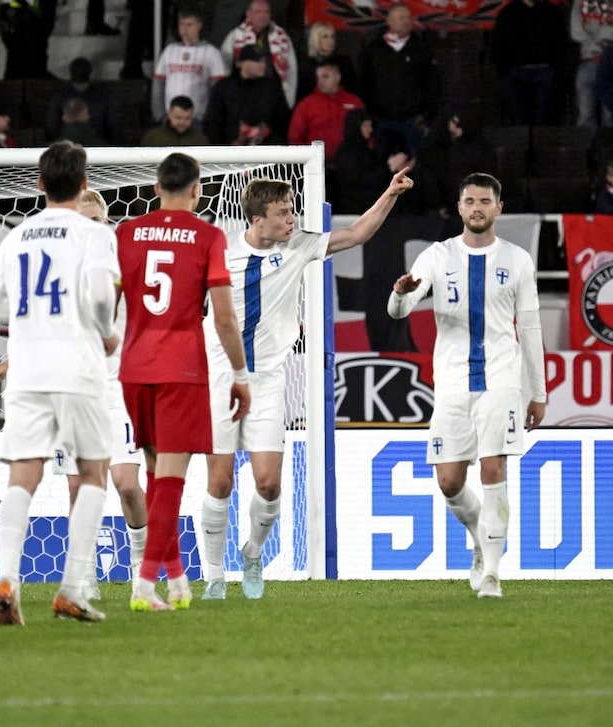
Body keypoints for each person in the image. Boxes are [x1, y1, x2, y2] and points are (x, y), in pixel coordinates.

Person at [198, 166, 414, 600]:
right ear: (257, 219)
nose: (291, 219)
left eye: (292, 210)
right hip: (218, 380)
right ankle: (214, 575)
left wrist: (390, 193)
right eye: (283, 213)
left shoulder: (297, 245)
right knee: (219, 483)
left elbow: (357, 234)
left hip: (268, 381)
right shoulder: (218, 252)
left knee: (268, 485)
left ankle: (253, 553)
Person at [0, 189, 149, 602]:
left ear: (106, 224)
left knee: (127, 484)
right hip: (70, 390)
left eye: (94, 222)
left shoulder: (125, 265)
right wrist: (10, 362)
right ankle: (83, 576)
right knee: (78, 488)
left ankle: (140, 567)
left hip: (119, 389)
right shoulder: (59, 274)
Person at [387, 173, 546, 599]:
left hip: (501, 379)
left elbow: (530, 328)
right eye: (470, 201)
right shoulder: (437, 256)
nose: (477, 208)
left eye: (485, 201)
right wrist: (400, 294)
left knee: (494, 470)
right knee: (449, 482)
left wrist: (539, 392)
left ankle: (491, 573)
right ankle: (481, 539)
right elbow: (400, 309)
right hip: (453, 382)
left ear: (499, 208)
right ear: (459, 207)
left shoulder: (517, 260)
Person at [117, 152, 250, 611]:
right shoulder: (209, 236)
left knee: (157, 475)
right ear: (197, 190)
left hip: (134, 368)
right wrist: (239, 374)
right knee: (172, 480)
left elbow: (103, 303)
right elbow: (225, 318)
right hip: (182, 369)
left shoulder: (126, 233)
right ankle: (144, 584)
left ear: (156, 188)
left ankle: (176, 579)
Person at [359, 3, 438, 157]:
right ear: (389, 21)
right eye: (401, 18)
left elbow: (433, 83)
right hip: (380, 120)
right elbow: (364, 83)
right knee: (380, 163)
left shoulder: (421, 49)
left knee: (415, 164)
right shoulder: (374, 49)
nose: (406, 21)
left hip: (413, 121)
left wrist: (426, 115)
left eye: (408, 18)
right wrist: (370, 114)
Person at [491, 0, 569, 126]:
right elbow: (498, 44)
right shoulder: (508, 13)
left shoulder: (552, 12)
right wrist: (505, 71)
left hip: (545, 70)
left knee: (544, 121)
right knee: (519, 121)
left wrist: (558, 71)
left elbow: (562, 43)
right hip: (517, 71)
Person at [151, 7, 227, 123]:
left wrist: (211, 117)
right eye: (181, 24)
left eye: (189, 25)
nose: (184, 29)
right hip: (171, 118)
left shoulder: (211, 53)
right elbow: (158, 85)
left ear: (199, 25)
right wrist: (160, 115)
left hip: (198, 118)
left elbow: (218, 89)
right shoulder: (169, 51)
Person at [204, 44, 290, 146]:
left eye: (264, 61)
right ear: (241, 63)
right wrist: (227, 146)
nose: (262, 65)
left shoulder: (272, 88)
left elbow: (283, 121)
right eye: (257, 61)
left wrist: (269, 136)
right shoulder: (224, 88)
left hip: (266, 150)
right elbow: (212, 122)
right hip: (231, 151)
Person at [420, 103, 497, 215]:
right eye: (456, 124)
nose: (459, 131)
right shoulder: (434, 146)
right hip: (439, 206)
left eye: (462, 126)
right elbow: (430, 176)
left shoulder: (479, 147)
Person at [219, 0, 298, 107]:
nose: (263, 16)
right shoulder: (235, 35)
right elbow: (224, 65)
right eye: (258, 12)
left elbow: (291, 70)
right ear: (248, 14)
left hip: (273, 96)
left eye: (266, 12)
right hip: (243, 95)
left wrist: (289, 101)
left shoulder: (282, 37)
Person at [286, 59, 363, 162]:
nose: (320, 81)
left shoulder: (354, 102)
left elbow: (366, 132)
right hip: (317, 163)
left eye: (325, 76)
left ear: (338, 77)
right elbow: (295, 137)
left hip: (351, 163)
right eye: (318, 77)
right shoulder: (306, 104)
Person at [45, 57, 113, 143]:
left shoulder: (100, 98)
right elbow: (52, 126)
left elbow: (109, 126)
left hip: (91, 144)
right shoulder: (61, 97)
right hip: (69, 144)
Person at [571, 0, 613, 128]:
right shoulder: (580, 2)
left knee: (610, 115)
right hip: (588, 60)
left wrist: (594, 33)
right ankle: (586, 142)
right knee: (585, 115)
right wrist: (602, 37)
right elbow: (576, 33)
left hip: (610, 61)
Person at [296, 21, 358, 104]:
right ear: (316, 40)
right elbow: (302, 94)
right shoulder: (305, 64)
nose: (330, 40)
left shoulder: (344, 62)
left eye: (332, 37)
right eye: (325, 37)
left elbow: (351, 89)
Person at [0, 0, 57, 80]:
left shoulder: (43, 7)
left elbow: (43, 30)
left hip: (30, 69)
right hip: (21, 70)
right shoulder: (10, 7)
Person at [140, 95, 211, 146]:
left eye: (187, 118)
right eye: (178, 118)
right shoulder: (153, 138)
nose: (182, 122)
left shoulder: (200, 140)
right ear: (169, 114)